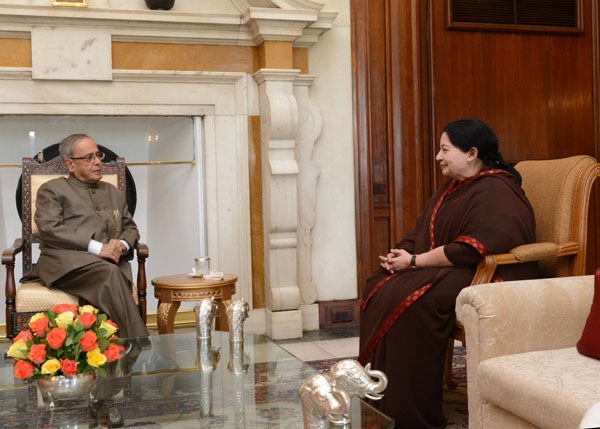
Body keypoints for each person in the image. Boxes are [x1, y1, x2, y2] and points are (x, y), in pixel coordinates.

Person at [359, 119, 539, 428]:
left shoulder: (497, 188)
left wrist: (414, 262)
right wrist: (399, 255)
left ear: (471, 153)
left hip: (488, 273)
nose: (439, 157)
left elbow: (472, 249)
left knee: (413, 299)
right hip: (450, 267)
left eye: (445, 149)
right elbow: (421, 228)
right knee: (380, 281)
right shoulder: (452, 188)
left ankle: (411, 411)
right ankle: (383, 397)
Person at [22, 133, 148, 338]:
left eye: (98, 156)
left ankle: (110, 353)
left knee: (109, 274)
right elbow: (49, 228)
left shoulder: (112, 192)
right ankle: (140, 348)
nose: (98, 162)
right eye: (89, 157)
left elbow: (131, 228)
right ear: (70, 164)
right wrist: (99, 248)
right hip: (66, 265)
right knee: (110, 275)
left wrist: (122, 244)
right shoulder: (52, 189)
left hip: (108, 264)